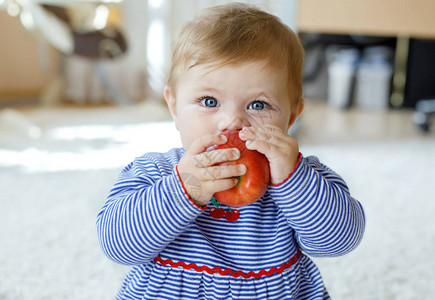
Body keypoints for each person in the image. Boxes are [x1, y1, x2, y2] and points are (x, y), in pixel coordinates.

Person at [96, 3, 365, 299]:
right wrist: (185, 189)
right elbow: (117, 245)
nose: (233, 122)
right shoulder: (155, 173)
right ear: (174, 106)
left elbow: (341, 241)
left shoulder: (300, 178)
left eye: (258, 105)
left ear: (291, 115)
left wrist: (293, 180)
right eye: (209, 102)